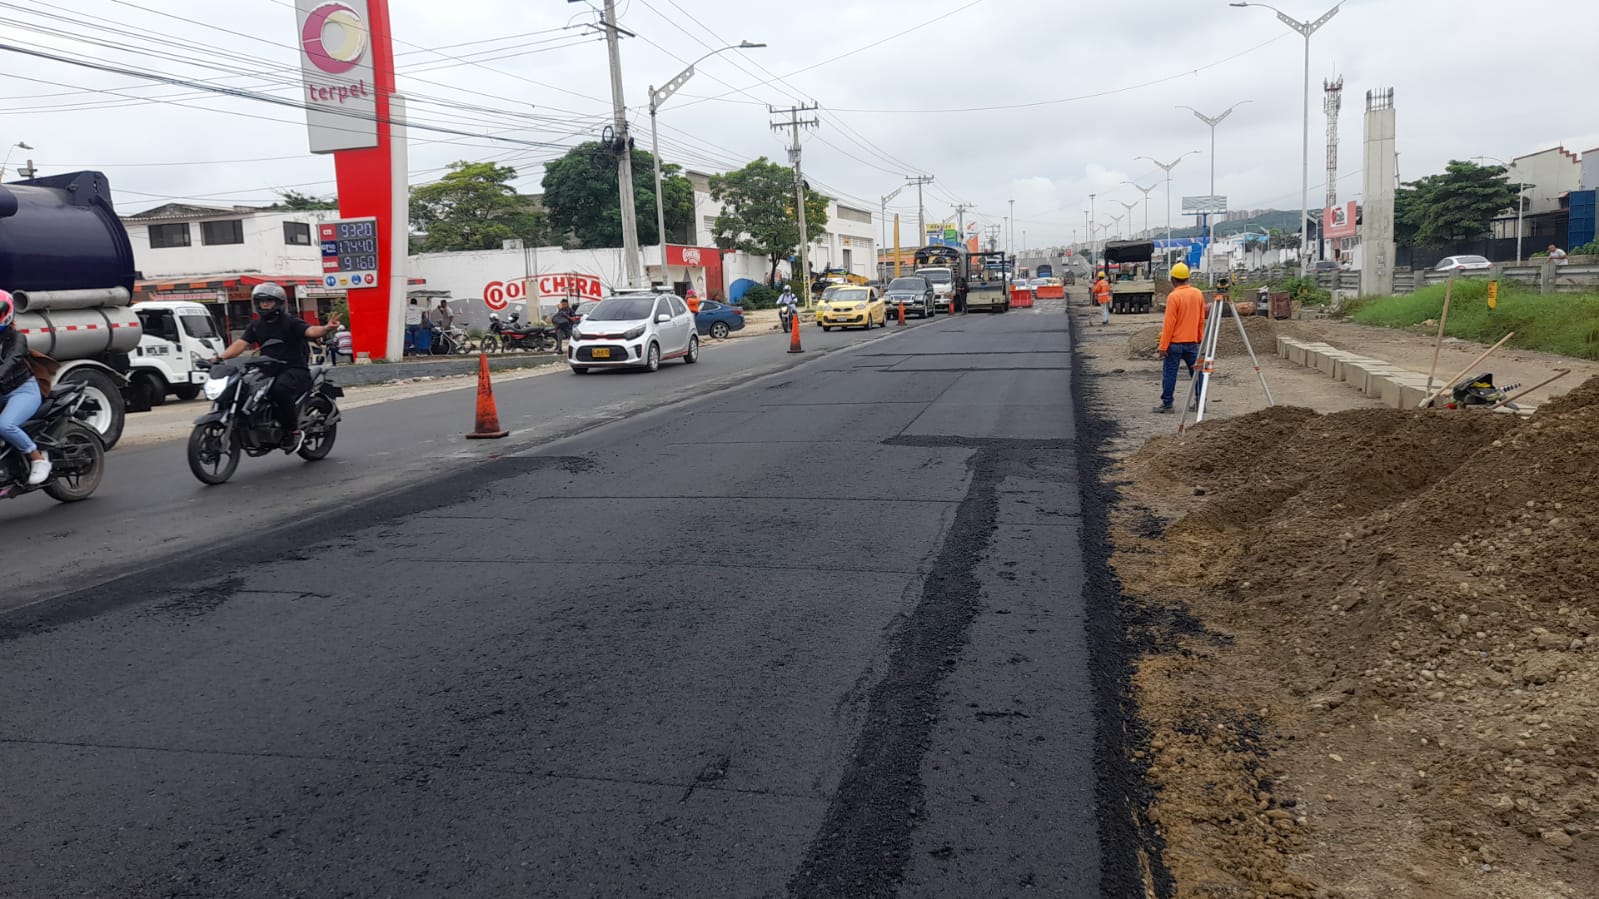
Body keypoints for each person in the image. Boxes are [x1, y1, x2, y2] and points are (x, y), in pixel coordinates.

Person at [213, 283, 340, 453]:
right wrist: (220, 358)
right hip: (268, 369)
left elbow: (310, 331)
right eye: (261, 301)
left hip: (294, 369)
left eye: (269, 301)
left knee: (279, 389)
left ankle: (292, 431)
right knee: (245, 387)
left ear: (279, 303)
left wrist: (325, 328)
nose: (265, 304)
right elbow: (240, 344)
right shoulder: (256, 325)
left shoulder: (290, 322)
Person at [0, 290, 50, 486]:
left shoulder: (17, 338)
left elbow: (12, 360)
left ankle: (38, 458)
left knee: (5, 425)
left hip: (22, 390)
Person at [1154, 262, 1207, 414]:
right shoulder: (1197, 294)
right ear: (1187, 278)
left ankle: (1167, 404)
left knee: (1170, 373)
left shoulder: (1174, 296)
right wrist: (1199, 338)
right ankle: (1200, 402)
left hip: (1175, 344)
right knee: (1197, 373)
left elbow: (1169, 324)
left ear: (1172, 279)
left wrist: (1163, 347)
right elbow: (1201, 319)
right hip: (1192, 342)